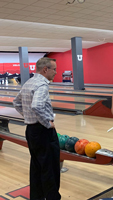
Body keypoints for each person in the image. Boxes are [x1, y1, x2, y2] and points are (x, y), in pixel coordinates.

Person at [13, 57, 61, 200]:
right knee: (50, 167)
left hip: (31, 131)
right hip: (43, 132)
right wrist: (47, 123)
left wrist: (28, 117)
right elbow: (36, 106)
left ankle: (37, 197)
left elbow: (16, 103)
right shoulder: (42, 85)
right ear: (45, 69)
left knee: (36, 166)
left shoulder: (29, 82)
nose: (56, 72)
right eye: (54, 69)